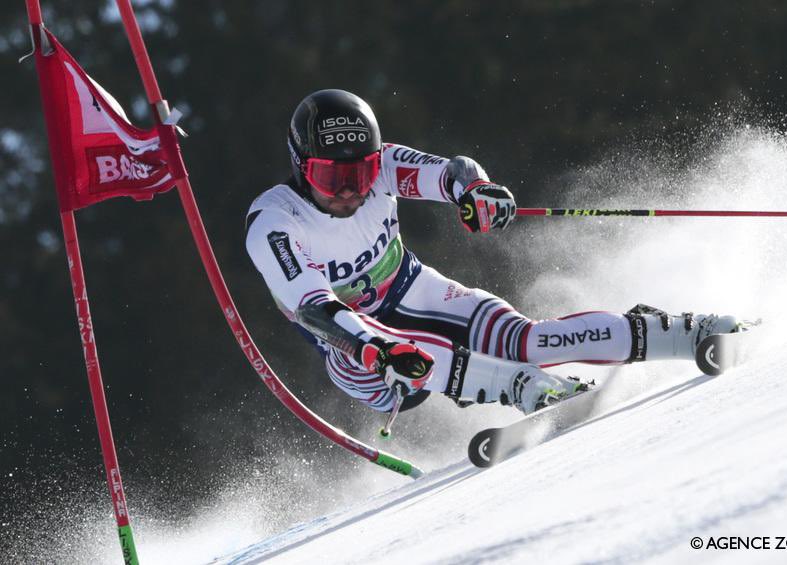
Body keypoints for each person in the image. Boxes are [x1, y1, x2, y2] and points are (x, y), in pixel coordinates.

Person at [245, 89, 737, 417]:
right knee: (395, 358)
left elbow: (453, 171)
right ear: (301, 165)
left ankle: (679, 332)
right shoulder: (274, 222)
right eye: (332, 178)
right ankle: (518, 387)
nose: (351, 191)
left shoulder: (385, 165)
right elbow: (315, 308)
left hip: (413, 288)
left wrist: (478, 191)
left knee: (525, 339)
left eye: (362, 174)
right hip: (355, 351)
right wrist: (374, 346)